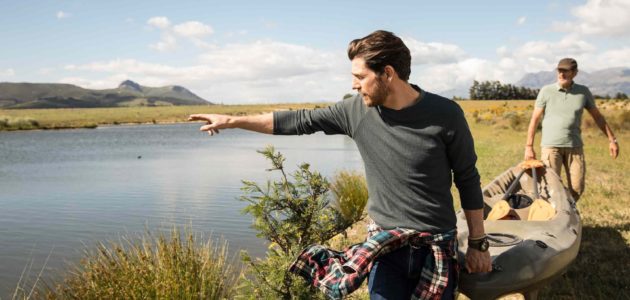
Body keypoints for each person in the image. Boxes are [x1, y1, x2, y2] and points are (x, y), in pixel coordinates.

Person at [189, 30, 491, 299]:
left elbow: (467, 178)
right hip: (385, 249)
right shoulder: (355, 111)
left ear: (387, 73)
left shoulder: (446, 114)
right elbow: (298, 121)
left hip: (436, 248)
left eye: (360, 77)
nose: (354, 85)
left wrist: (478, 243)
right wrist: (231, 121)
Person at [524, 58, 619, 201]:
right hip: (551, 147)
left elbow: (598, 117)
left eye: (565, 71)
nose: (561, 74)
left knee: (577, 188)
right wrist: (529, 146)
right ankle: (555, 220)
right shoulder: (546, 91)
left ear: (574, 73)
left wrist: (612, 140)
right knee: (550, 187)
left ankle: (567, 212)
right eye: (559, 71)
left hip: (574, 147)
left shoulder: (583, 92)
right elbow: (534, 119)